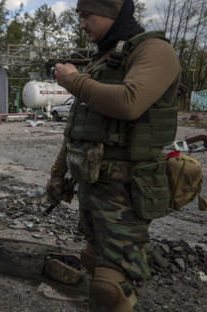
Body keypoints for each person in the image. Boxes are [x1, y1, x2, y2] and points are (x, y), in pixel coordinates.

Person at [48, 0, 180, 311]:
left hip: (126, 193)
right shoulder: (104, 59)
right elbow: (78, 128)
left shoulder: (153, 50)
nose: (82, 25)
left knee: (112, 287)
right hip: (94, 188)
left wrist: (73, 81)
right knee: (94, 261)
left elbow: (130, 102)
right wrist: (57, 174)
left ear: (111, 12)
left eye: (86, 16)